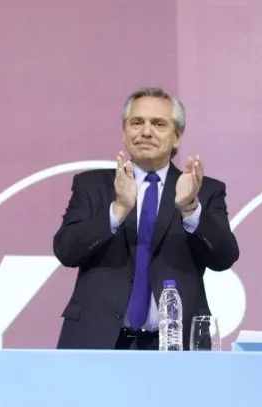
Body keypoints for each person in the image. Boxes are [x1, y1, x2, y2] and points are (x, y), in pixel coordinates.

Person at [52, 87, 239, 350]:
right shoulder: (93, 185)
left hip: (175, 345)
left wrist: (190, 208)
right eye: (137, 122)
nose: (146, 131)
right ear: (125, 132)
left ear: (177, 136)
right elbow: (66, 251)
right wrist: (117, 210)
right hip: (97, 341)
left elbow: (224, 258)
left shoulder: (203, 189)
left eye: (159, 124)